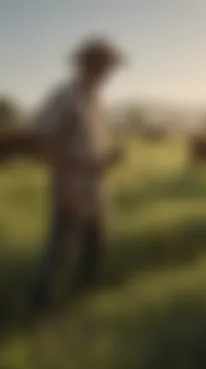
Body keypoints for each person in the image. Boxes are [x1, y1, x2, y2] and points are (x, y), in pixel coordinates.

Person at [30, 36, 126, 313]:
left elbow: (87, 144)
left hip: (96, 186)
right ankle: (40, 307)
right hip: (71, 185)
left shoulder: (96, 99)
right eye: (105, 65)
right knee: (60, 250)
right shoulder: (65, 95)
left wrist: (107, 159)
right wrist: (65, 186)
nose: (109, 72)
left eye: (111, 66)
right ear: (87, 63)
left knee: (96, 245)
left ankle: (85, 298)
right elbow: (46, 142)